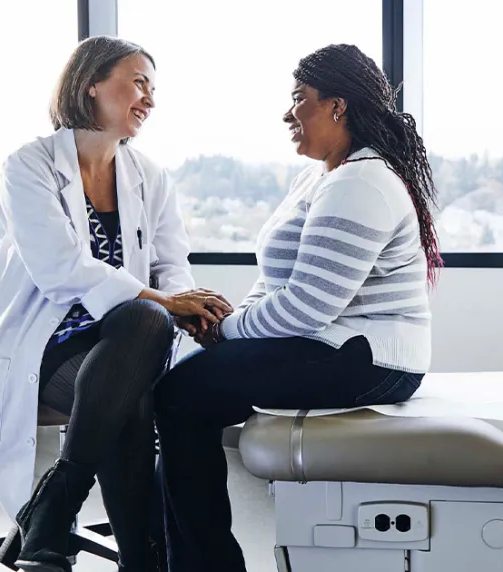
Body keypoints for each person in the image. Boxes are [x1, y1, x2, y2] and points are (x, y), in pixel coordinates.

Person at [152, 43, 443, 571]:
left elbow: (308, 306)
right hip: (332, 344)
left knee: (180, 395)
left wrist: (227, 332)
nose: (288, 114)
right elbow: (276, 282)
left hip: (369, 357)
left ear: (338, 106)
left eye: (299, 100)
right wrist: (229, 324)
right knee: (183, 390)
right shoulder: (320, 177)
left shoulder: (362, 182)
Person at [0, 36, 233, 572]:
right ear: (91, 84)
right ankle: (143, 558)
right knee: (130, 377)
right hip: (46, 341)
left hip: (128, 337)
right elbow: (60, 269)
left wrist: (187, 304)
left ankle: (58, 500)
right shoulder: (30, 166)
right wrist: (168, 301)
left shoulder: (150, 176)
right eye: (138, 82)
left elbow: (172, 264)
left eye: (153, 88)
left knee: (140, 326)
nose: (149, 98)